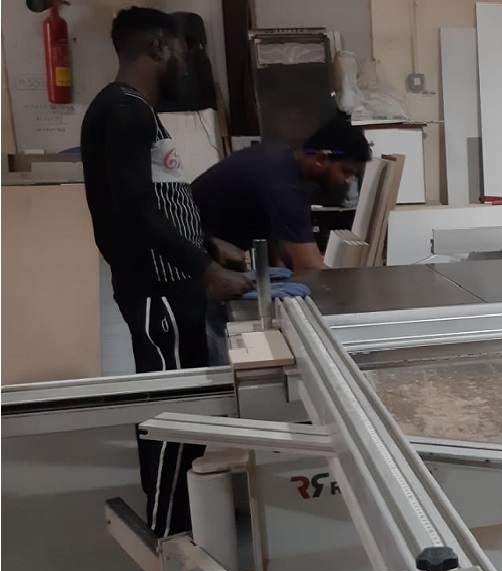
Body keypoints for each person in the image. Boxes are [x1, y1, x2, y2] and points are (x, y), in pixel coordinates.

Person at [80, 7, 252, 537]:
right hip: (159, 289)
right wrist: (204, 268)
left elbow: (162, 198)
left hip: (173, 283)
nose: (184, 63)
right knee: (175, 413)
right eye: (180, 51)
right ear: (158, 48)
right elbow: (134, 208)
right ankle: (170, 535)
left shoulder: (136, 110)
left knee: (184, 406)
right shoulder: (124, 111)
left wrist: (208, 242)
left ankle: (185, 517)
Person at [191, 115, 373, 272]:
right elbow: (310, 268)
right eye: (346, 171)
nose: (347, 180)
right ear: (321, 158)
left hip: (198, 240)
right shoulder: (285, 185)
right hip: (187, 247)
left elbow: (279, 238)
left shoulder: (280, 158)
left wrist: (280, 267)